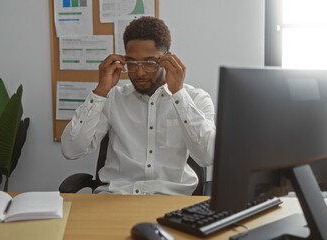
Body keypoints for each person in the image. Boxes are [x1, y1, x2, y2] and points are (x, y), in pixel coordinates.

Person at [61, 16, 216, 195]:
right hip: (115, 198)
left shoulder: (196, 99)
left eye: (149, 63)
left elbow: (208, 156)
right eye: (132, 63)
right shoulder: (112, 98)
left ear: (167, 59)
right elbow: (71, 150)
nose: (139, 72)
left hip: (170, 200)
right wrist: (100, 91)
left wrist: (178, 94)